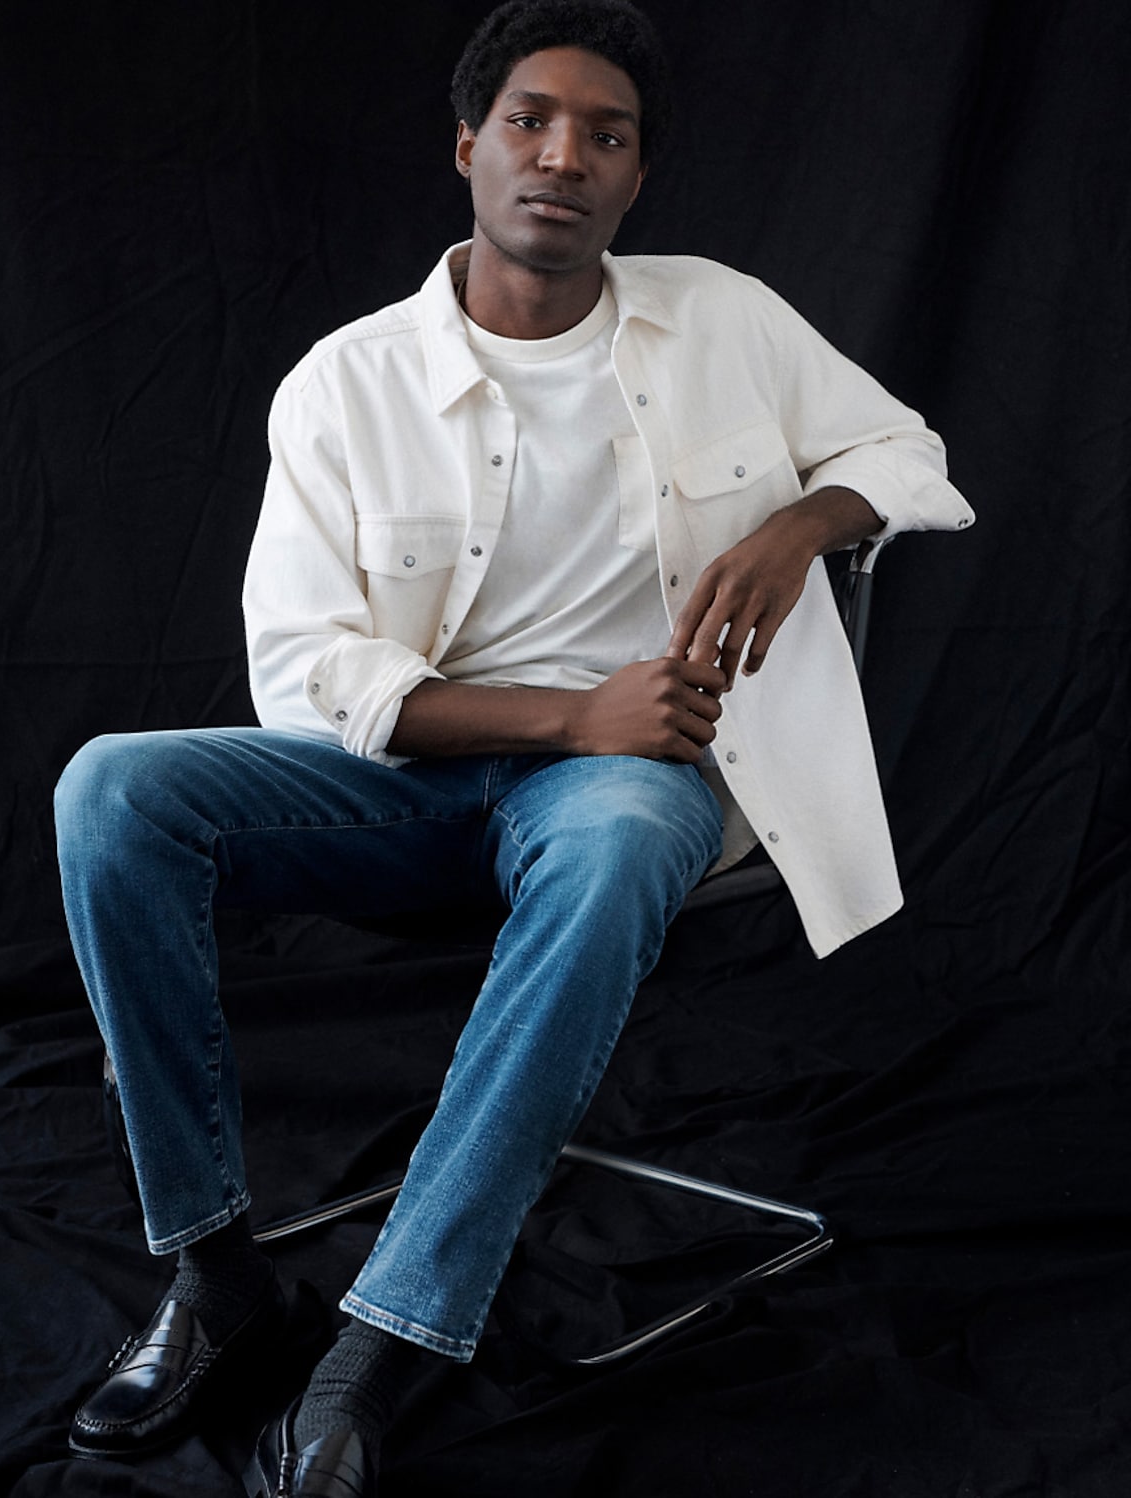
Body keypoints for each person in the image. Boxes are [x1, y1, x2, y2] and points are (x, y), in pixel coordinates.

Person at [54, 1, 975, 1493]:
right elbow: (304, 671)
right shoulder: (347, 382)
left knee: (614, 829)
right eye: (534, 122)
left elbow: (909, 452)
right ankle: (216, 1274)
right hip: (403, 780)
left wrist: (804, 523)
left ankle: (387, 1340)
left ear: (635, 177)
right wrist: (567, 711)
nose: (566, 155)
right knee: (112, 788)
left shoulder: (723, 317)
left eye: (606, 135)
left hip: (635, 787)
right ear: (469, 147)